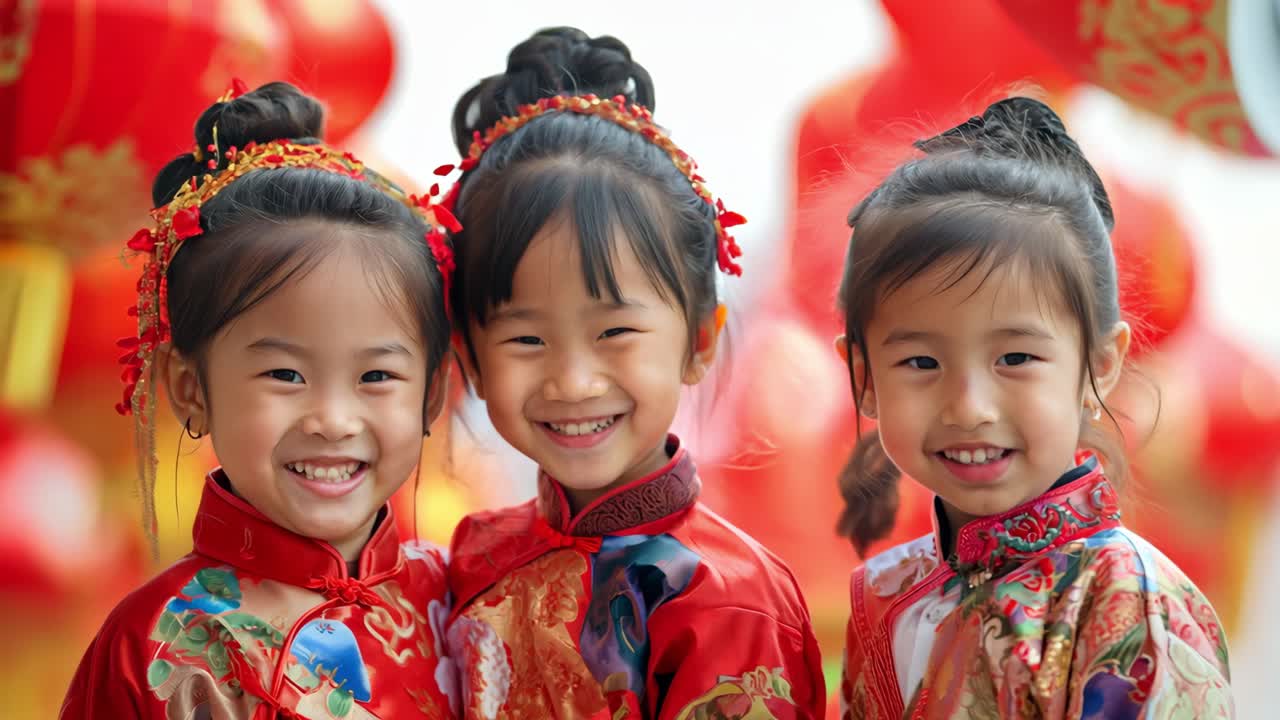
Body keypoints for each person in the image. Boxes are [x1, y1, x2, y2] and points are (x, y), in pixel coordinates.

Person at [439, 26, 825, 719]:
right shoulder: (473, 556)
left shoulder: (726, 597)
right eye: (526, 338)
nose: (573, 382)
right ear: (470, 355)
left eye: (614, 332)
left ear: (699, 341)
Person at [61, 81, 459, 719]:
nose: (332, 420)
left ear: (431, 393)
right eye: (285, 374)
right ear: (192, 389)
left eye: (377, 377)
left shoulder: (459, 604)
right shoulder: (155, 645)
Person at [833, 96, 1233, 719]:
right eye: (921, 363)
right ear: (863, 377)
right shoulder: (884, 595)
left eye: (1015, 359)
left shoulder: (1129, 604)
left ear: (1099, 364)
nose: (969, 408)